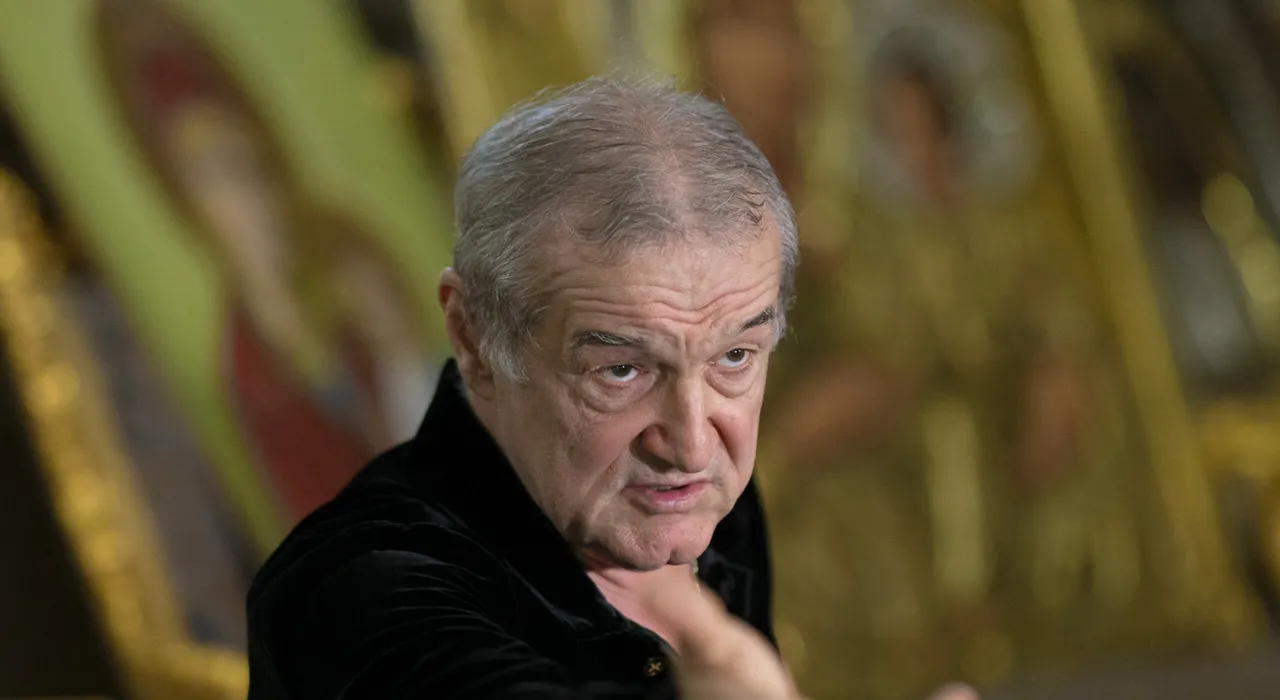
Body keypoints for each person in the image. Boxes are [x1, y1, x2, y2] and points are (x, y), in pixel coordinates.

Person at [246, 75, 975, 700]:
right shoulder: (361, 591)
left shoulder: (697, 505)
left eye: (734, 357)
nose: (692, 443)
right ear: (473, 337)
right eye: (622, 370)